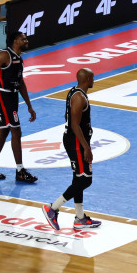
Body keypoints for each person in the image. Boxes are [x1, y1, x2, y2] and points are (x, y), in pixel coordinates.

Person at [42, 69, 101, 230]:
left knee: (78, 179)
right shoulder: (80, 97)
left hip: (74, 139)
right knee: (85, 180)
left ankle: (80, 218)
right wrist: (86, 147)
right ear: (88, 78)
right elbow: (74, 124)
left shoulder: (73, 92)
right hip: (76, 141)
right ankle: (52, 208)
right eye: (93, 77)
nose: (94, 80)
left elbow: (67, 117)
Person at [0, 32, 38, 183]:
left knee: (4, 130)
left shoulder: (19, 58)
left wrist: (29, 106)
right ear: (15, 41)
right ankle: (20, 170)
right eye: (23, 39)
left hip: (12, 97)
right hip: (2, 96)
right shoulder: (4, 56)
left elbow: (20, 83)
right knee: (16, 130)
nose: (26, 40)